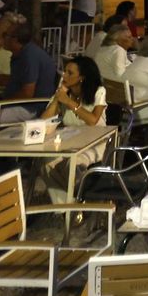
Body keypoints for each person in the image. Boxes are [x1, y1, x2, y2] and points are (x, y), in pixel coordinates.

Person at [39, 56, 109, 203]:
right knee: (46, 161)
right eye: (64, 72)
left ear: (81, 78)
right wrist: (58, 99)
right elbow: (43, 122)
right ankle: (66, 205)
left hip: (95, 142)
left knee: (73, 163)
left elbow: (92, 120)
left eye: (70, 73)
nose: (64, 75)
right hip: (70, 141)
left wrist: (69, 102)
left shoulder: (98, 91)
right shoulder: (64, 94)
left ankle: (76, 200)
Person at [4, 21, 59, 100]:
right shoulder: (21, 53)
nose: (2, 38)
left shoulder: (30, 56)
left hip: (32, 106)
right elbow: (10, 80)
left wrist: (2, 102)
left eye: (5, 35)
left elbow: (27, 94)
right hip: (16, 102)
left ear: (15, 39)